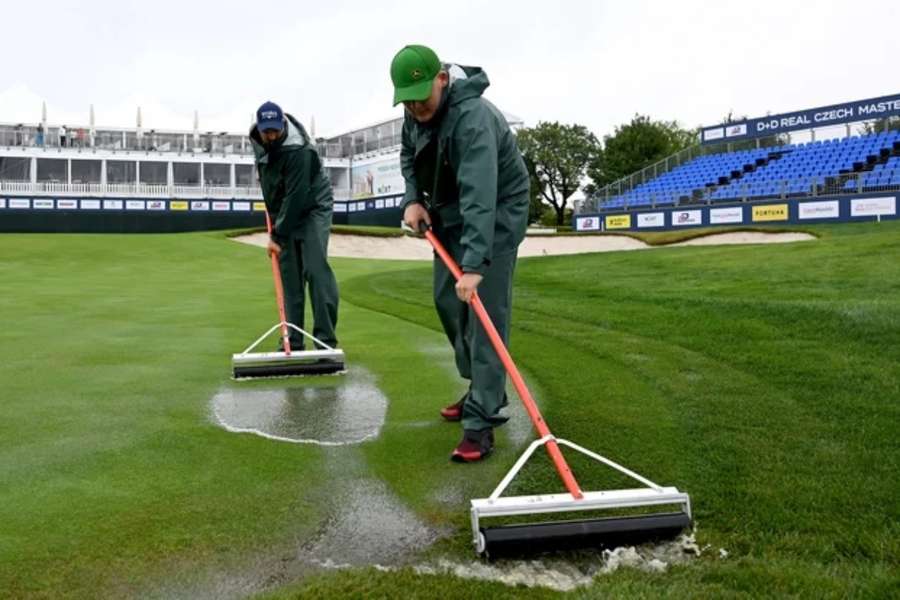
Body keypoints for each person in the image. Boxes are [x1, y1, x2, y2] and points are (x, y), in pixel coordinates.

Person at [391, 45, 530, 462]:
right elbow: (408, 156)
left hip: (497, 212)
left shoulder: (473, 119)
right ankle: (480, 386)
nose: (416, 106)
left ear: (442, 79)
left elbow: (480, 196)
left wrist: (474, 265)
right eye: (408, 99)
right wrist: (413, 200)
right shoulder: (414, 112)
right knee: (447, 300)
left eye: (422, 96)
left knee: (485, 315)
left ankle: (481, 420)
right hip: (449, 210)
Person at [249, 101, 339, 352]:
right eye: (267, 131)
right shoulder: (258, 141)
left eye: (276, 130)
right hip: (284, 208)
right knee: (290, 277)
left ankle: (325, 342)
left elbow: (297, 195)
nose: (272, 136)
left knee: (315, 268)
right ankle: (293, 341)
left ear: (283, 125)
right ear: (260, 128)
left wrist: (277, 234)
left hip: (312, 206)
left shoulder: (299, 149)